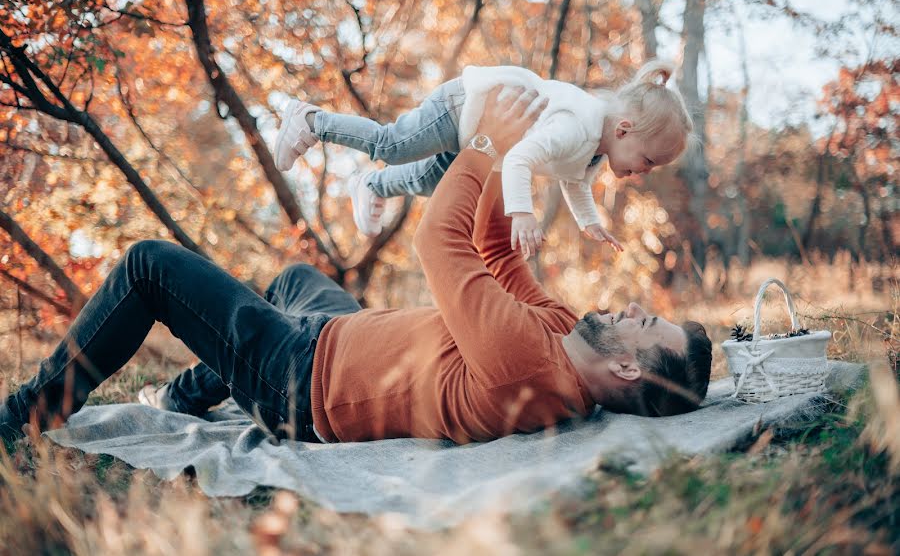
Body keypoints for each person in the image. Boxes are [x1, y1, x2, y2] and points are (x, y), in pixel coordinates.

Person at [0, 87, 711, 446]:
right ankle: (186, 395)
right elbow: (496, 253)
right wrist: (522, 165)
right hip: (345, 336)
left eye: (643, 323)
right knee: (291, 282)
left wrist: (489, 139)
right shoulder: (565, 329)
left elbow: (442, 243)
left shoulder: (531, 364)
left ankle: (26, 414)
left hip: (298, 382)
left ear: (626, 369)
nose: (628, 308)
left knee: (149, 265)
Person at [274, 61, 693, 258]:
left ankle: (372, 184)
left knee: (427, 182)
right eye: (648, 161)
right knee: (393, 144)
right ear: (623, 130)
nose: (644, 173)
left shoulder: (594, 153)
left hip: (478, 139)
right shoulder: (578, 125)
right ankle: (311, 120)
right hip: (463, 108)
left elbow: (574, 182)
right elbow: (520, 162)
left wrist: (590, 224)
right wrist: (522, 213)